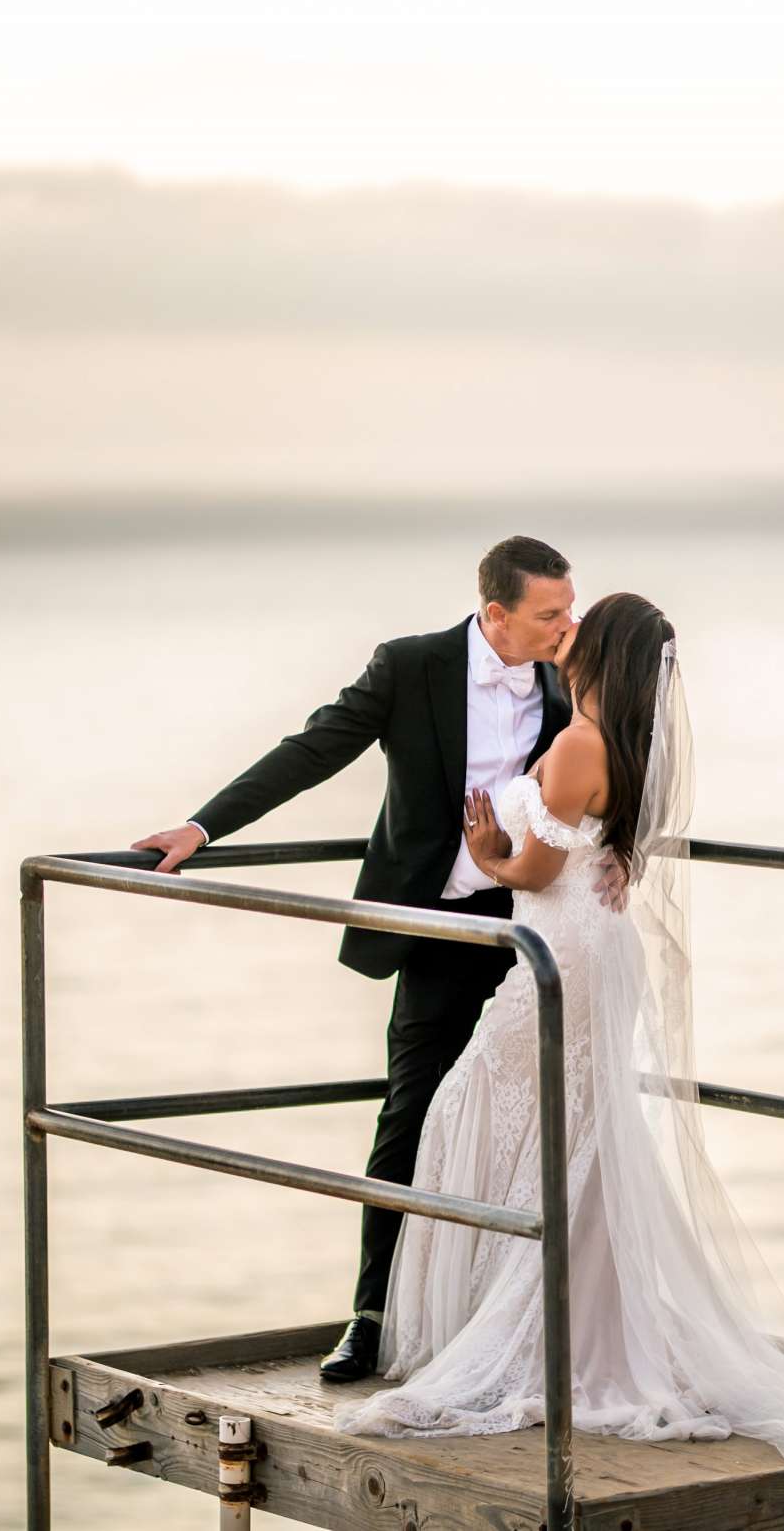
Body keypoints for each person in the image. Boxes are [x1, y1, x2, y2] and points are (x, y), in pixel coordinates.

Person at [323, 592, 784, 1522]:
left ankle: (522, 1326)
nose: (565, 635)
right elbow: (597, 849)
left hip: (563, 947)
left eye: (581, 629)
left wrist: (489, 852)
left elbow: (538, 872)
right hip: (590, 944)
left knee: (478, 1104)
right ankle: (541, 1314)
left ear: (605, 655)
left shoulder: (579, 744)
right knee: (568, 1123)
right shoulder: (619, 741)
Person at [130, 535, 589, 1383]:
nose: (568, 626)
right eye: (549, 614)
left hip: (537, 923)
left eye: (569, 608)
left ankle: (516, 1321)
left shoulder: (572, 680)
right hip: (434, 928)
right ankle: (373, 1316)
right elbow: (313, 750)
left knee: (539, 1123)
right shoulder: (411, 666)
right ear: (495, 613)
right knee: (409, 1116)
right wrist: (202, 828)